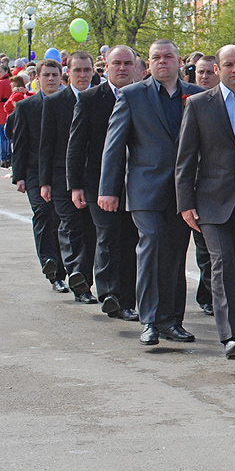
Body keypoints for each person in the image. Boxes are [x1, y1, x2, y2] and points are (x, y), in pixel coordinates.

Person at [99, 39, 204, 346]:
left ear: (179, 60)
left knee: (174, 255)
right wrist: (108, 189)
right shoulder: (133, 96)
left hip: (184, 192)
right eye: (156, 57)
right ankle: (150, 321)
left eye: (168, 56)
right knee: (152, 247)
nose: (162, 62)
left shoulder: (197, 96)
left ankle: (173, 321)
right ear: (148, 63)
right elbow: (114, 146)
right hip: (145, 191)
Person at [176, 45, 235, 364]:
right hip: (212, 203)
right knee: (223, 263)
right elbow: (185, 158)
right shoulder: (199, 104)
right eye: (229, 64)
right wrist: (184, 202)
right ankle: (230, 337)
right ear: (217, 69)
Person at [66, 45, 139, 321]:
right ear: (105, 67)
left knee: (131, 240)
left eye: (127, 63)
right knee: (108, 238)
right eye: (116, 63)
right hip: (98, 184)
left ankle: (128, 300)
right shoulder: (89, 99)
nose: (122, 68)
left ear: (135, 67)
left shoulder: (142, 95)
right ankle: (110, 294)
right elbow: (77, 145)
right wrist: (75, 186)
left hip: (135, 183)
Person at [39, 51, 97, 303]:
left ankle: (84, 276)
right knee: (71, 227)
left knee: (91, 231)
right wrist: (44, 182)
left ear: (94, 71)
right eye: (77, 70)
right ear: (68, 73)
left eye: (87, 70)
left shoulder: (101, 99)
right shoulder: (54, 103)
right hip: (62, 178)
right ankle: (78, 277)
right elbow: (46, 145)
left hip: (94, 177)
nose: (82, 75)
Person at [10, 59, 68, 291]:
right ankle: (50, 263)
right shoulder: (26, 107)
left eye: (55, 75)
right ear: (38, 79)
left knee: (59, 217)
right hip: (34, 171)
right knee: (43, 212)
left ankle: (63, 268)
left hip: (60, 170)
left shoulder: (70, 103)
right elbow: (20, 142)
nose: (51, 79)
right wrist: (19, 175)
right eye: (46, 75)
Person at [183, 55, 217, 317]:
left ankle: (210, 294)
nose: (203, 76)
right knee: (206, 251)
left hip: (228, 190)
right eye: (199, 72)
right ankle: (208, 295)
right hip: (200, 190)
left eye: (208, 72)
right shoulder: (193, 103)